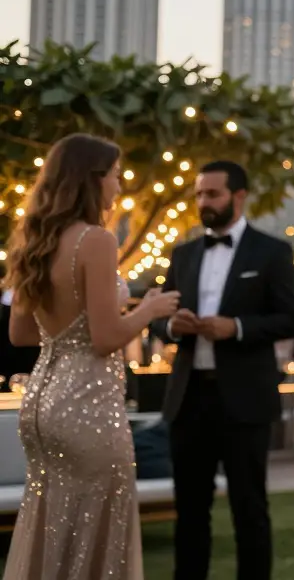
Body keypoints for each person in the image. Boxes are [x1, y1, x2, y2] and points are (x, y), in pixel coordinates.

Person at [2, 133, 179, 580]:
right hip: (87, 405)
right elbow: (106, 338)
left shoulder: (35, 241)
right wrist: (149, 309)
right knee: (99, 528)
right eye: (116, 177)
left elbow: (21, 334)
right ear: (92, 179)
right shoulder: (95, 241)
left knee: (52, 524)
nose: (120, 188)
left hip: (41, 403)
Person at [149, 160, 294, 580]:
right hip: (189, 399)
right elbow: (158, 318)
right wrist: (171, 325)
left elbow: (291, 319)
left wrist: (234, 327)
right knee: (190, 512)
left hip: (245, 400)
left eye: (212, 194)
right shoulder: (183, 253)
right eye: (199, 194)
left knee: (250, 509)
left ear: (239, 196)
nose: (203, 202)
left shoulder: (271, 252)